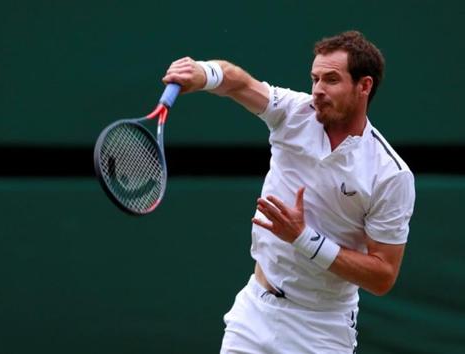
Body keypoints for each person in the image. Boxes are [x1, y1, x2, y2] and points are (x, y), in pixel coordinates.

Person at [162, 30, 415, 354]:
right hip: (256, 310)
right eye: (315, 79)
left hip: (322, 329)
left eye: (332, 80)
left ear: (364, 86)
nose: (318, 90)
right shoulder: (294, 112)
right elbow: (239, 83)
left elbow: (383, 275)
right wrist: (204, 72)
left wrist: (304, 239)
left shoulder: (390, 175)